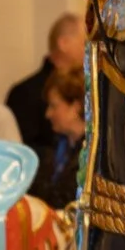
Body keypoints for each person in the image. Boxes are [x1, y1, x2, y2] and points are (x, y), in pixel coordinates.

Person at [7, 12, 84, 153]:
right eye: (84, 43)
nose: (89, 50)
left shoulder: (92, 86)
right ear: (63, 43)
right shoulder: (24, 94)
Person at [31, 66, 85, 208]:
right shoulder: (57, 145)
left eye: (54, 106)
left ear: (76, 106)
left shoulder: (96, 154)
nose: (48, 114)